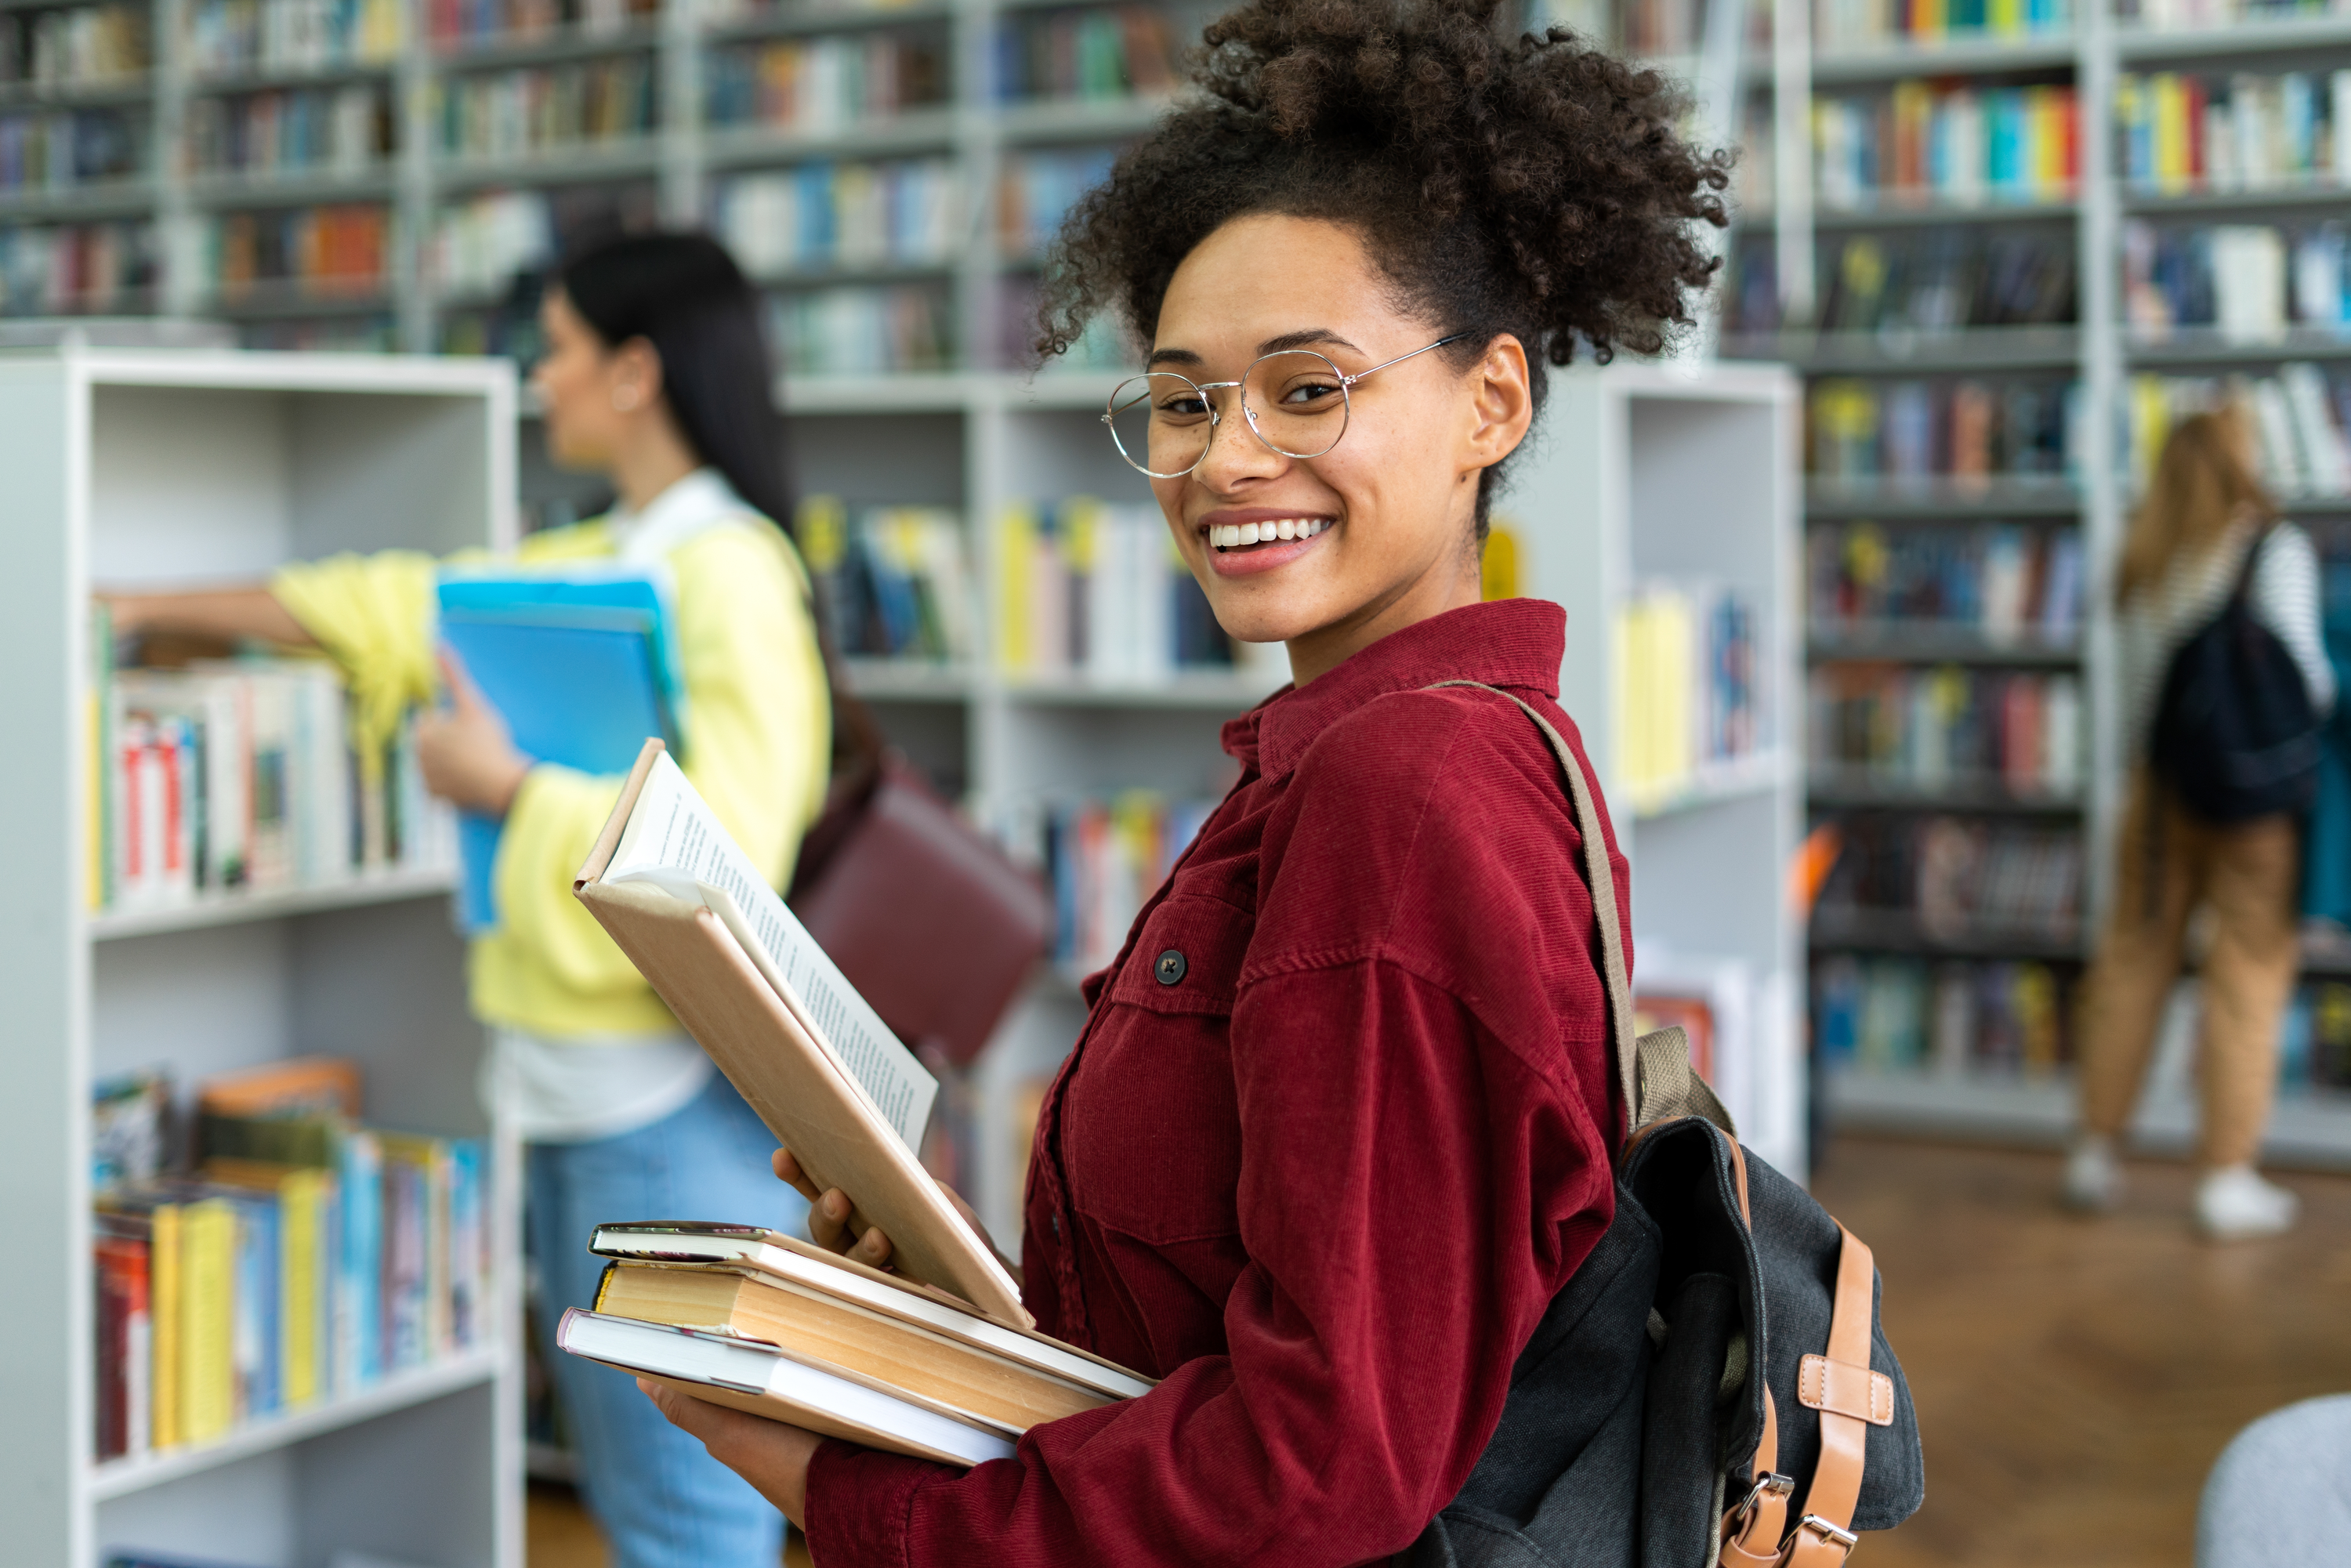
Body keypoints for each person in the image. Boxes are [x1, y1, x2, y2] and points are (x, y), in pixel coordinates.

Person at [636, 1, 1726, 1560]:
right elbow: (1233, 1316)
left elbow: (1320, 1462)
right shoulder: (1386, 753)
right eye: (1183, 398)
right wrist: (935, 1301)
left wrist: (844, 1491)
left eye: (1306, 388)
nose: (1223, 459)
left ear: (1493, 399)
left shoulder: (1403, 793)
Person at [105, 233, 829, 1568]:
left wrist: (508, 788)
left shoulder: (727, 569)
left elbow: (730, 858)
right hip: (569, 1096)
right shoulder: (603, 551)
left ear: (632, 373)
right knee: (644, 1504)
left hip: (663, 1107)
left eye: (551, 347)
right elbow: (394, 609)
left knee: (686, 1519)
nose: (533, 378)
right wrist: (143, 602)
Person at [2064, 405, 2335, 1239]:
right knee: (2247, 974)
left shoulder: (2144, 557)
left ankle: (2094, 1151)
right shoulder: (2273, 551)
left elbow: (2134, 697)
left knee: (2134, 961)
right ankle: (2224, 1176)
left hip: (2158, 791)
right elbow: (2310, 685)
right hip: (2256, 802)